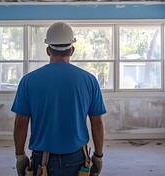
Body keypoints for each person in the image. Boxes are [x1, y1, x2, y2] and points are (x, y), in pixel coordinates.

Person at [12, 22, 106, 176]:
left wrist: (20, 156)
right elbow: (98, 123)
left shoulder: (28, 81)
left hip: (42, 161)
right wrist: (98, 156)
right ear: (72, 50)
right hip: (78, 159)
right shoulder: (89, 80)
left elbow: (20, 124)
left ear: (48, 50)